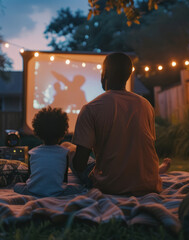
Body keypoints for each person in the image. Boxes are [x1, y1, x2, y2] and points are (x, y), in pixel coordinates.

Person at [70, 52, 171, 196]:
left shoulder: (90, 108)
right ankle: (157, 171)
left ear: (104, 74)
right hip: (148, 184)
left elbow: (80, 165)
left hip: (110, 186)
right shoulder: (146, 105)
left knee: (67, 148)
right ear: (129, 75)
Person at [13, 107, 83, 197]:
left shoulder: (32, 153)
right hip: (58, 192)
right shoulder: (65, 153)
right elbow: (64, 180)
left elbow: (30, 177)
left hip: (33, 191)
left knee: (17, 186)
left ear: (38, 132)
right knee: (79, 187)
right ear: (63, 133)